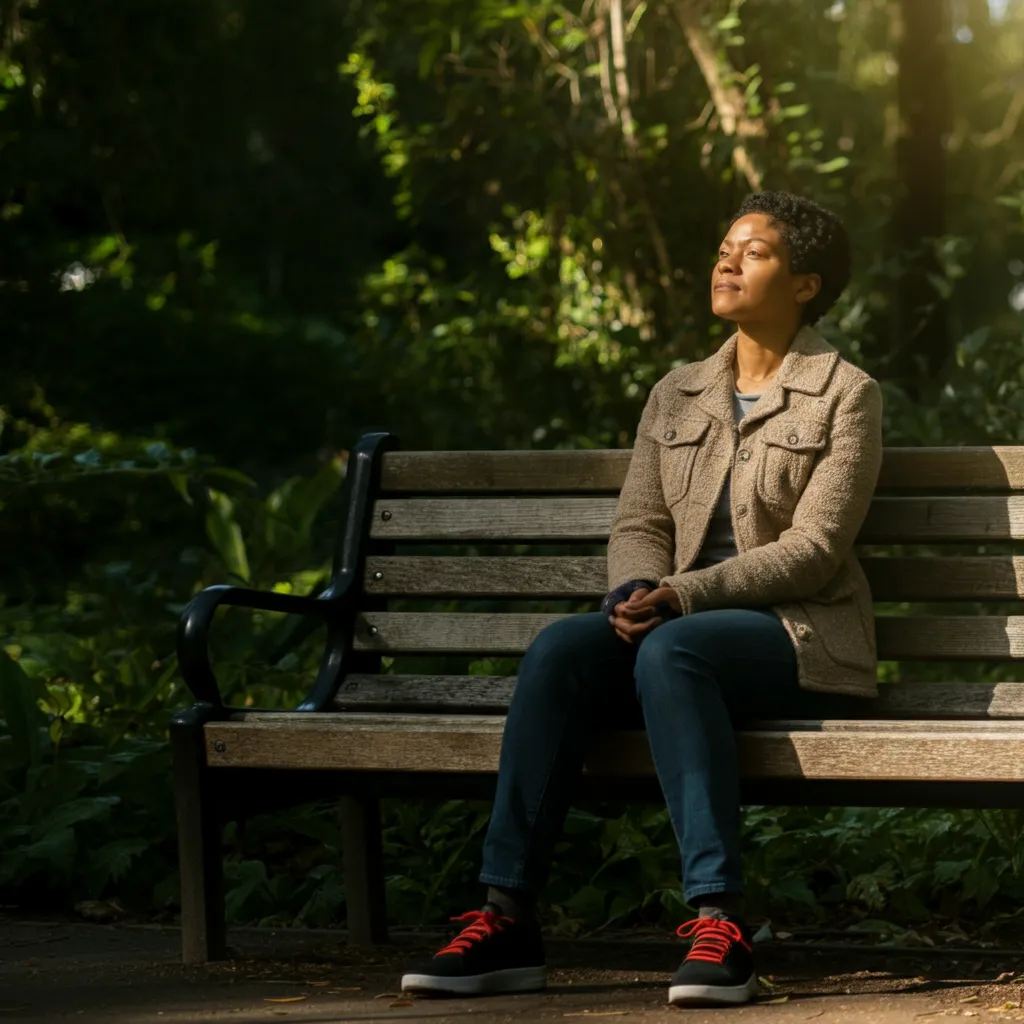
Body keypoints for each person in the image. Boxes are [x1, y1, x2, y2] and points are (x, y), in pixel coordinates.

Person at [400, 191, 883, 1007]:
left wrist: (680, 596)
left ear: (806, 285)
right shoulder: (678, 391)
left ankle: (720, 923)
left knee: (675, 646)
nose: (726, 262)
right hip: (671, 626)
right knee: (561, 648)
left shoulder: (846, 392)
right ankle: (508, 917)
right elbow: (640, 519)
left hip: (793, 633)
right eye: (725, 247)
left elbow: (815, 549)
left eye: (754, 252)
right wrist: (633, 589)